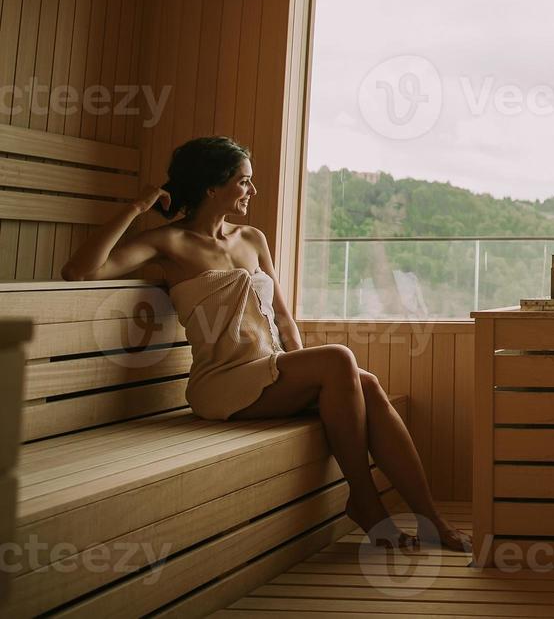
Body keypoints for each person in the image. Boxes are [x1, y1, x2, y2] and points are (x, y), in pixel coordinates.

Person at [61, 136, 469, 552]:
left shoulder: (252, 238)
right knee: (340, 360)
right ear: (211, 187)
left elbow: (283, 316)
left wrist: (312, 375)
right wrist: (136, 208)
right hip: (222, 383)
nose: (252, 191)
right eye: (244, 181)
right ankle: (365, 501)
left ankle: (430, 519)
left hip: (271, 370)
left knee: (365, 383)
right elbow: (79, 271)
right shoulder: (168, 244)